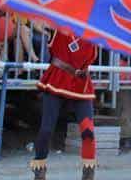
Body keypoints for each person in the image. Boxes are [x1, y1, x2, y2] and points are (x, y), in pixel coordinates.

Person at [30, 29, 99, 180]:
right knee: (47, 129)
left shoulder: (95, 32)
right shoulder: (60, 25)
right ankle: (39, 172)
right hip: (58, 79)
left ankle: (88, 176)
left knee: (88, 132)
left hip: (81, 84)